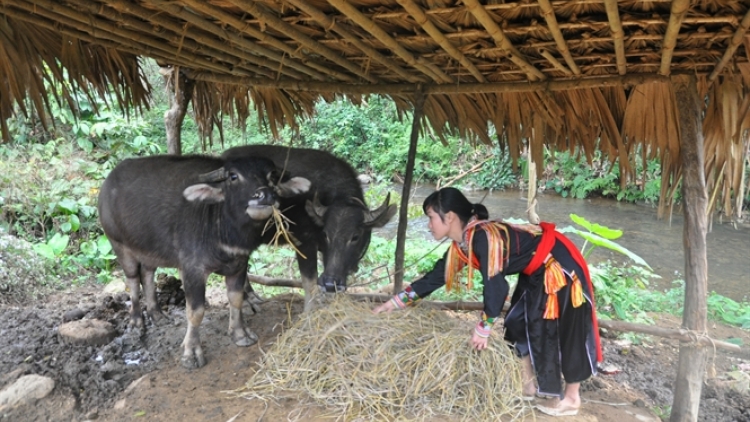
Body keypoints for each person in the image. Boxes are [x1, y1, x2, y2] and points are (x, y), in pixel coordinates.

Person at [373, 187, 602, 417]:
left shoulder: (483, 237)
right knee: (516, 321)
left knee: (567, 328)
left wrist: (483, 327)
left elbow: (497, 286)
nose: (428, 225)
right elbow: (434, 279)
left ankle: (572, 398)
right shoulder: (462, 245)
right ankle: (528, 385)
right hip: (535, 271)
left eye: (431, 217)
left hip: (559, 266)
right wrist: (393, 304)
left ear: (450, 216)